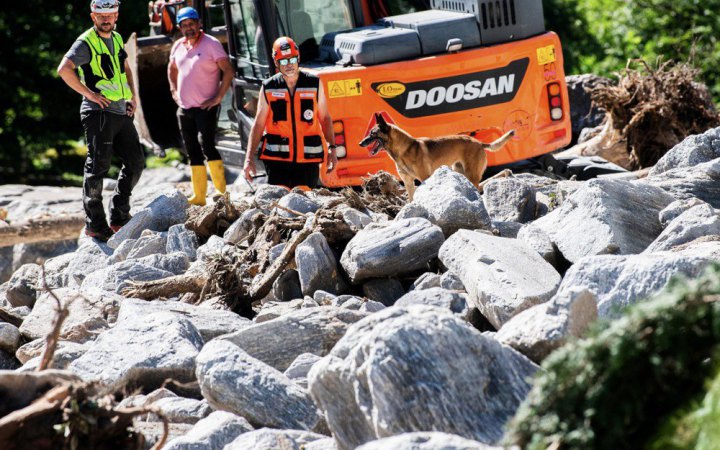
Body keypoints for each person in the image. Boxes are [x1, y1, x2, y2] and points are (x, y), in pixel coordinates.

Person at [57, 0, 145, 241]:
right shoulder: (86, 41)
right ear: (93, 17)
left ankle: (119, 215)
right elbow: (64, 69)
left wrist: (133, 96)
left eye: (110, 15)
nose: (106, 19)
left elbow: (125, 67)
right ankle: (95, 224)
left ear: (116, 16)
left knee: (136, 162)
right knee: (97, 166)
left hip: (120, 110)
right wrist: (90, 94)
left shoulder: (117, 37)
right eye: (101, 16)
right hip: (98, 112)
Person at [243, 36, 338, 189]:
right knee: (280, 200)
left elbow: (325, 118)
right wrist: (249, 158)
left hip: (307, 160)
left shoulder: (314, 83)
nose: (289, 65)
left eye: (292, 60)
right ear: (276, 63)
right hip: (277, 161)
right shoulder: (269, 87)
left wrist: (332, 149)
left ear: (298, 58)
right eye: (284, 61)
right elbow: (259, 124)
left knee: (305, 199)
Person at [168, 6, 234, 206]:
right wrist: (173, 91)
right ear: (180, 28)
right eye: (184, 25)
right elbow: (171, 69)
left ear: (199, 24)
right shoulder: (178, 46)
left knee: (207, 145)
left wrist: (218, 97)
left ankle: (221, 192)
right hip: (184, 108)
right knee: (191, 150)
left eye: (191, 23)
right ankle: (199, 196)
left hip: (206, 107)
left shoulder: (211, 44)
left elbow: (228, 71)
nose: (188, 28)